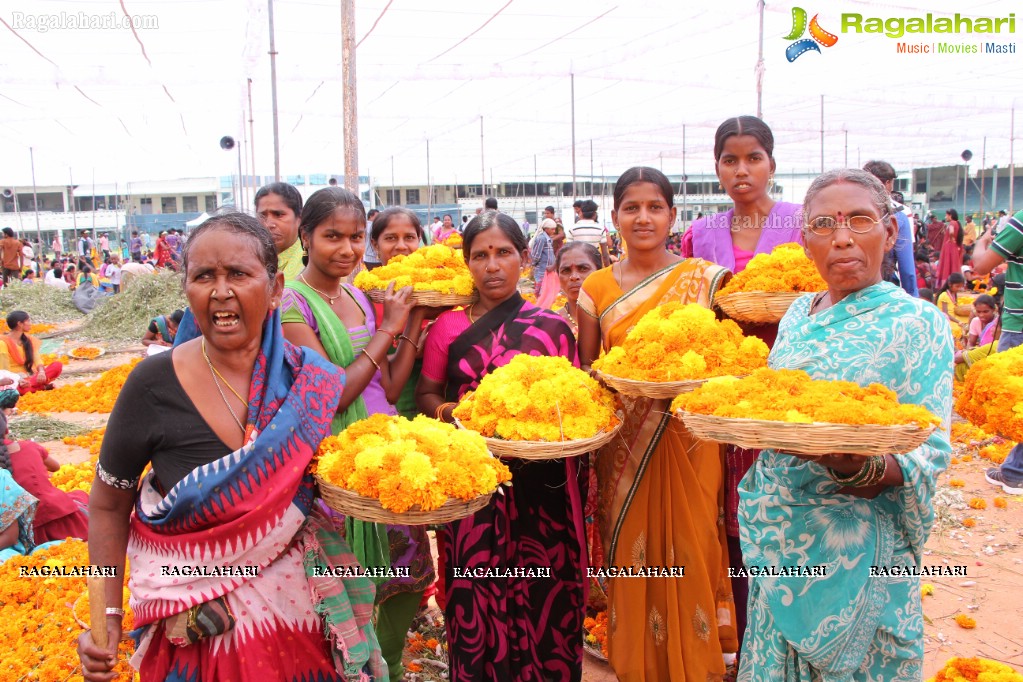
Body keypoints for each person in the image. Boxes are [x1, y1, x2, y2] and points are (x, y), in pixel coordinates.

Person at [77, 212, 385, 680]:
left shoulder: (311, 380)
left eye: (239, 274)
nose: (221, 291)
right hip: (197, 626)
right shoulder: (152, 385)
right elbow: (106, 506)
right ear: (187, 289)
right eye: (204, 276)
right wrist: (108, 617)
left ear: (277, 287)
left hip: (303, 617)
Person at [737, 168, 953, 681]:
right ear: (806, 241)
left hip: (859, 549)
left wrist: (858, 469)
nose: (842, 237)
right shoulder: (796, 314)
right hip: (781, 537)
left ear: (891, 232)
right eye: (823, 224)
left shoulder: (918, 323)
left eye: (859, 220)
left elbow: (931, 450)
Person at [578, 167, 737, 680]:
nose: (643, 217)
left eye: (654, 207)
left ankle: (694, 664)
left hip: (690, 438)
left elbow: (723, 359)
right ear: (615, 216)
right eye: (631, 207)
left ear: (672, 214)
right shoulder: (596, 287)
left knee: (693, 545)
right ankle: (638, 664)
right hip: (625, 444)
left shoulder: (705, 279)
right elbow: (588, 373)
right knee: (631, 551)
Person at [415, 210, 586, 681]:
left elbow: (576, 406)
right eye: (480, 255)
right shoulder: (447, 329)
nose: (492, 265)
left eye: (503, 253)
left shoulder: (550, 327)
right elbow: (426, 396)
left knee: (545, 592)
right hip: (475, 486)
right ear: (466, 263)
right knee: (477, 593)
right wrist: (465, 415)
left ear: (525, 258)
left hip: (542, 487)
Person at [280, 189, 433, 682]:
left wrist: (408, 324)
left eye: (354, 237)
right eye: (332, 237)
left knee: (407, 581)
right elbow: (335, 395)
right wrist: (390, 327)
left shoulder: (355, 295)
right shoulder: (291, 307)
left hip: (386, 452)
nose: (346, 249)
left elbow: (385, 385)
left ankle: (383, 667)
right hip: (338, 465)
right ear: (306, 236)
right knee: (347, 592)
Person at [681, 115, 802, 652]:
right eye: (730, 160)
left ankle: (794, 635)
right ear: (717, 168)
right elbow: (690, 310)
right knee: (728, 515)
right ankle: (746, 640)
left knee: (788, 508)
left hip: (792, 386)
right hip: (724, 391)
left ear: (772, 163)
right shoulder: (701, 233)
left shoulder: (802, 221)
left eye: (753, 157)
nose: (742, 170)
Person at [971, 208, 1023, 494]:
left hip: (1020, 323)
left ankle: (1016, 472)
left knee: (1017, 402)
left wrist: (984, 240)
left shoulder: (1021, 221)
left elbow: (981, 265)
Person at [5, 416, 89, 544]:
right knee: (80, 496)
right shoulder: (28, 446)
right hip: (62, 512)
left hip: (28, 529)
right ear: (6, 429)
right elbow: (55, 467)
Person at [863, 160, 918, 297]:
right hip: (884, 291)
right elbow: (907, 270)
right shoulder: (898, 216)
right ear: (888, 183)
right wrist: (913, 299)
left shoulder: (846, 211)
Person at [0, 311, 63, 394]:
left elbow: (37, 359)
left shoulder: (28, 340)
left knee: (57, 366)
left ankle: (33, 387)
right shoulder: (3, 342)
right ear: (20, 324)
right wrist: (18, 380)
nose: (30, 324)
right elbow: (4, 371)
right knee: (15, 389)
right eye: (28, 321)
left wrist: (41, 372)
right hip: (13, 379)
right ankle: (41, 387)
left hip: (30, 377)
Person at [255, 181, 305, 280]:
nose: (269, 224)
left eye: (278, 215)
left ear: (299, 218)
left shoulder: (310, 264)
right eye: (262, 216)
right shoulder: (248, 259)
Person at [554, 241, 601, 336]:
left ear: (600, 272)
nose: (574, 277)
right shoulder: (551, 323)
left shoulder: (615, 316)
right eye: (566, 270)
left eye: (583, 268)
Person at [954, 293, 1000, 382]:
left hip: (993, 355)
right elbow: (971, 343)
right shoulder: (975, 321)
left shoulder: (998, 324)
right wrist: (969, 355)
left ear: (993, 310)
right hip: (979, 352)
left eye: (985, 311)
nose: (981, 315)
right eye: (978, 312)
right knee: (960, 366)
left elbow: (997, 347)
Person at [568, 199, 610, 266]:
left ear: (581, 213)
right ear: (594, 214)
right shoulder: (600, 229)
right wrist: (608, 269)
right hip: (594, 264)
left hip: (578, 264)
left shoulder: (572, 229)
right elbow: (605, 254)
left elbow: (568, 250)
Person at [935, 209, 963, 289]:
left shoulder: (952, 223)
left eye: (946, 215)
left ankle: (946, 284)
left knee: (947, 264)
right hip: (952, 247)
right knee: (953, 265)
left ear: (950, 215)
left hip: (949, 247)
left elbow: (951, 232)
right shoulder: (957, 223)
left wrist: (951, 238)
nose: (945, 217)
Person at [530, 217, 557, 299]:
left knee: (546, 288)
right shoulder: (541, 238)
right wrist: (533, 265)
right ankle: (539, 303)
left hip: (547, 268)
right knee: (540, 288)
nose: (554, 231)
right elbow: (536, 254)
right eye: (552, 229)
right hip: (541, 268)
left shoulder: (548, 239)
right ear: (546, 229)